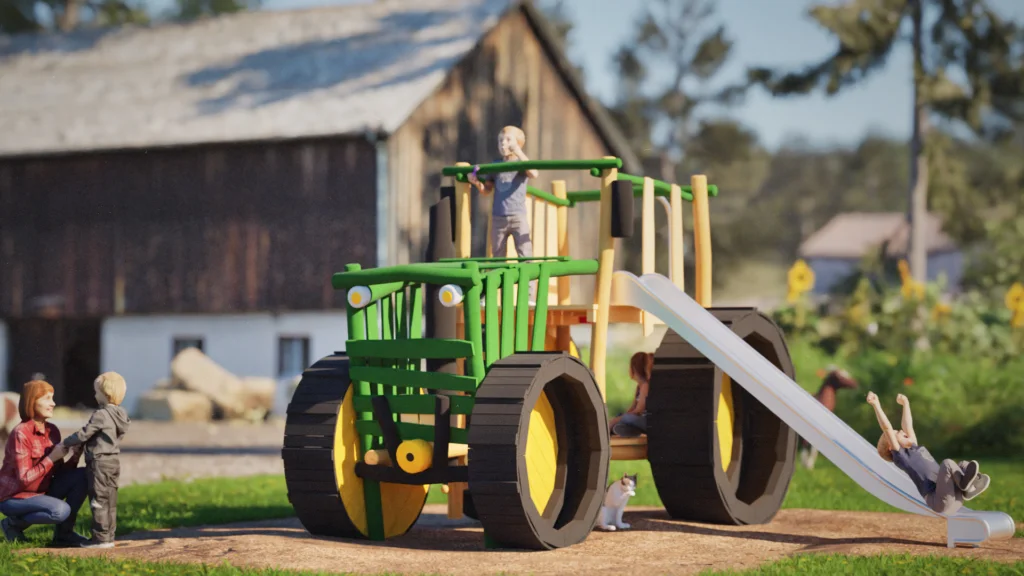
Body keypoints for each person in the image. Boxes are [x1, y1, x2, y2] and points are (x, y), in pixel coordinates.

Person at [867, 391, 989, 515]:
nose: (902, 431)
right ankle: (966, 486)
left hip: (954, 497)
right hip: (938, 500)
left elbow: (908, 425)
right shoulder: (901, 457)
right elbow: (886, 428)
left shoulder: (914, 447)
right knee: (947, 464)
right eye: (897, 432)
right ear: (890, 446)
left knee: (962, 465)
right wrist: (876, 405)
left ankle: (969, 489)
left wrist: (906, 403)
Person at [0, 380, 89, 546]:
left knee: (84, 475)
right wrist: (51, 458)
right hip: (15, 497)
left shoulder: (52, 430)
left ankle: (64, 535)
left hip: (41, 490)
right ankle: (12, 524)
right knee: (60, 511)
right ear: (32, 401)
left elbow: (59, 472)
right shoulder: (20, 433)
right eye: (47, 398)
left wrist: (75, 456)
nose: (53, 403)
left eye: (52, 398)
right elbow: (24, 480)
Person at [60, 372, 131, 549]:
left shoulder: (101, 415)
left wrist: (66, 442)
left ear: (106, 393)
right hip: (113, 461)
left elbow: (85, 433)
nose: (94, 395)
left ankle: (100, 538)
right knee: (110, 499)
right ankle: (109, 536)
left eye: (97, 391)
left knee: (98, 499)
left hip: (98, 462)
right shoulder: (122, 414)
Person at [609, 352, 653, 437]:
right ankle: (628, 430)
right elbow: (633, 407)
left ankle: (616, 428)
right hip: (638, 419)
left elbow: (639, 410)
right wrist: (620, 417)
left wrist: (619, 419)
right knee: (621, 416)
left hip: (647, 421)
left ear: (634, 369)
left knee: (626, 418)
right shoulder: (639, 387)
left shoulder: (645, 386)